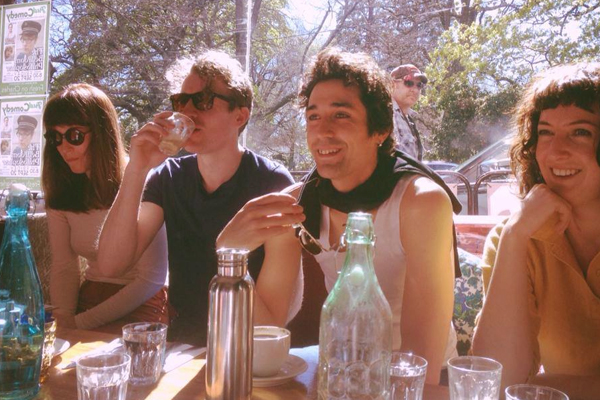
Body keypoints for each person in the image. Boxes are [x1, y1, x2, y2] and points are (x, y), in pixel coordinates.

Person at [218, 48, 461, 384]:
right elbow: (267, 327)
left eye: (341, 115)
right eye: (313, 117)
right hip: (342, 373)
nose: (322, 131)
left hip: (422, 382)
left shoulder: (420, 202)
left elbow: (421, 363)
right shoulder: (297, 205)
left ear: (380, 130)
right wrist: (230, 258)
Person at [97, 50, 299, 346]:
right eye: (181, 101)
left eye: (203, 100)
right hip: (181, 348)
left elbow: (269, 328)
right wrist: (137, 169)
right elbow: (111, 265)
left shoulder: (273, 183)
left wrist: (228, 255)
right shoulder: (168, 177)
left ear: (240, 116)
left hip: (245, 351)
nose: (188, 112)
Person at [472, 63, 600, 399]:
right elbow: (496, 380)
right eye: (545, 133)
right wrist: (515, 236)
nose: (556, 151)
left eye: (580, 132)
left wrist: (545, 387)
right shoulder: (516, 237)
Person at [42, 83, 170, 334]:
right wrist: (63, 319)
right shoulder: (62, 189)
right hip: (90, 295)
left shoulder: (143, 178)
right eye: (54, 137)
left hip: (142, 302)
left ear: (101, 133)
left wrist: (80, 323)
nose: (63, 148)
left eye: (74, 136)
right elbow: (64, 266)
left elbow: (151, 279)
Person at [390, 64, 427, 160]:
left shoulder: (408, 118)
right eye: (409, 83)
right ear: (393, 85)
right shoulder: (388, 114)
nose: (415, 90)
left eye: (419, 85)